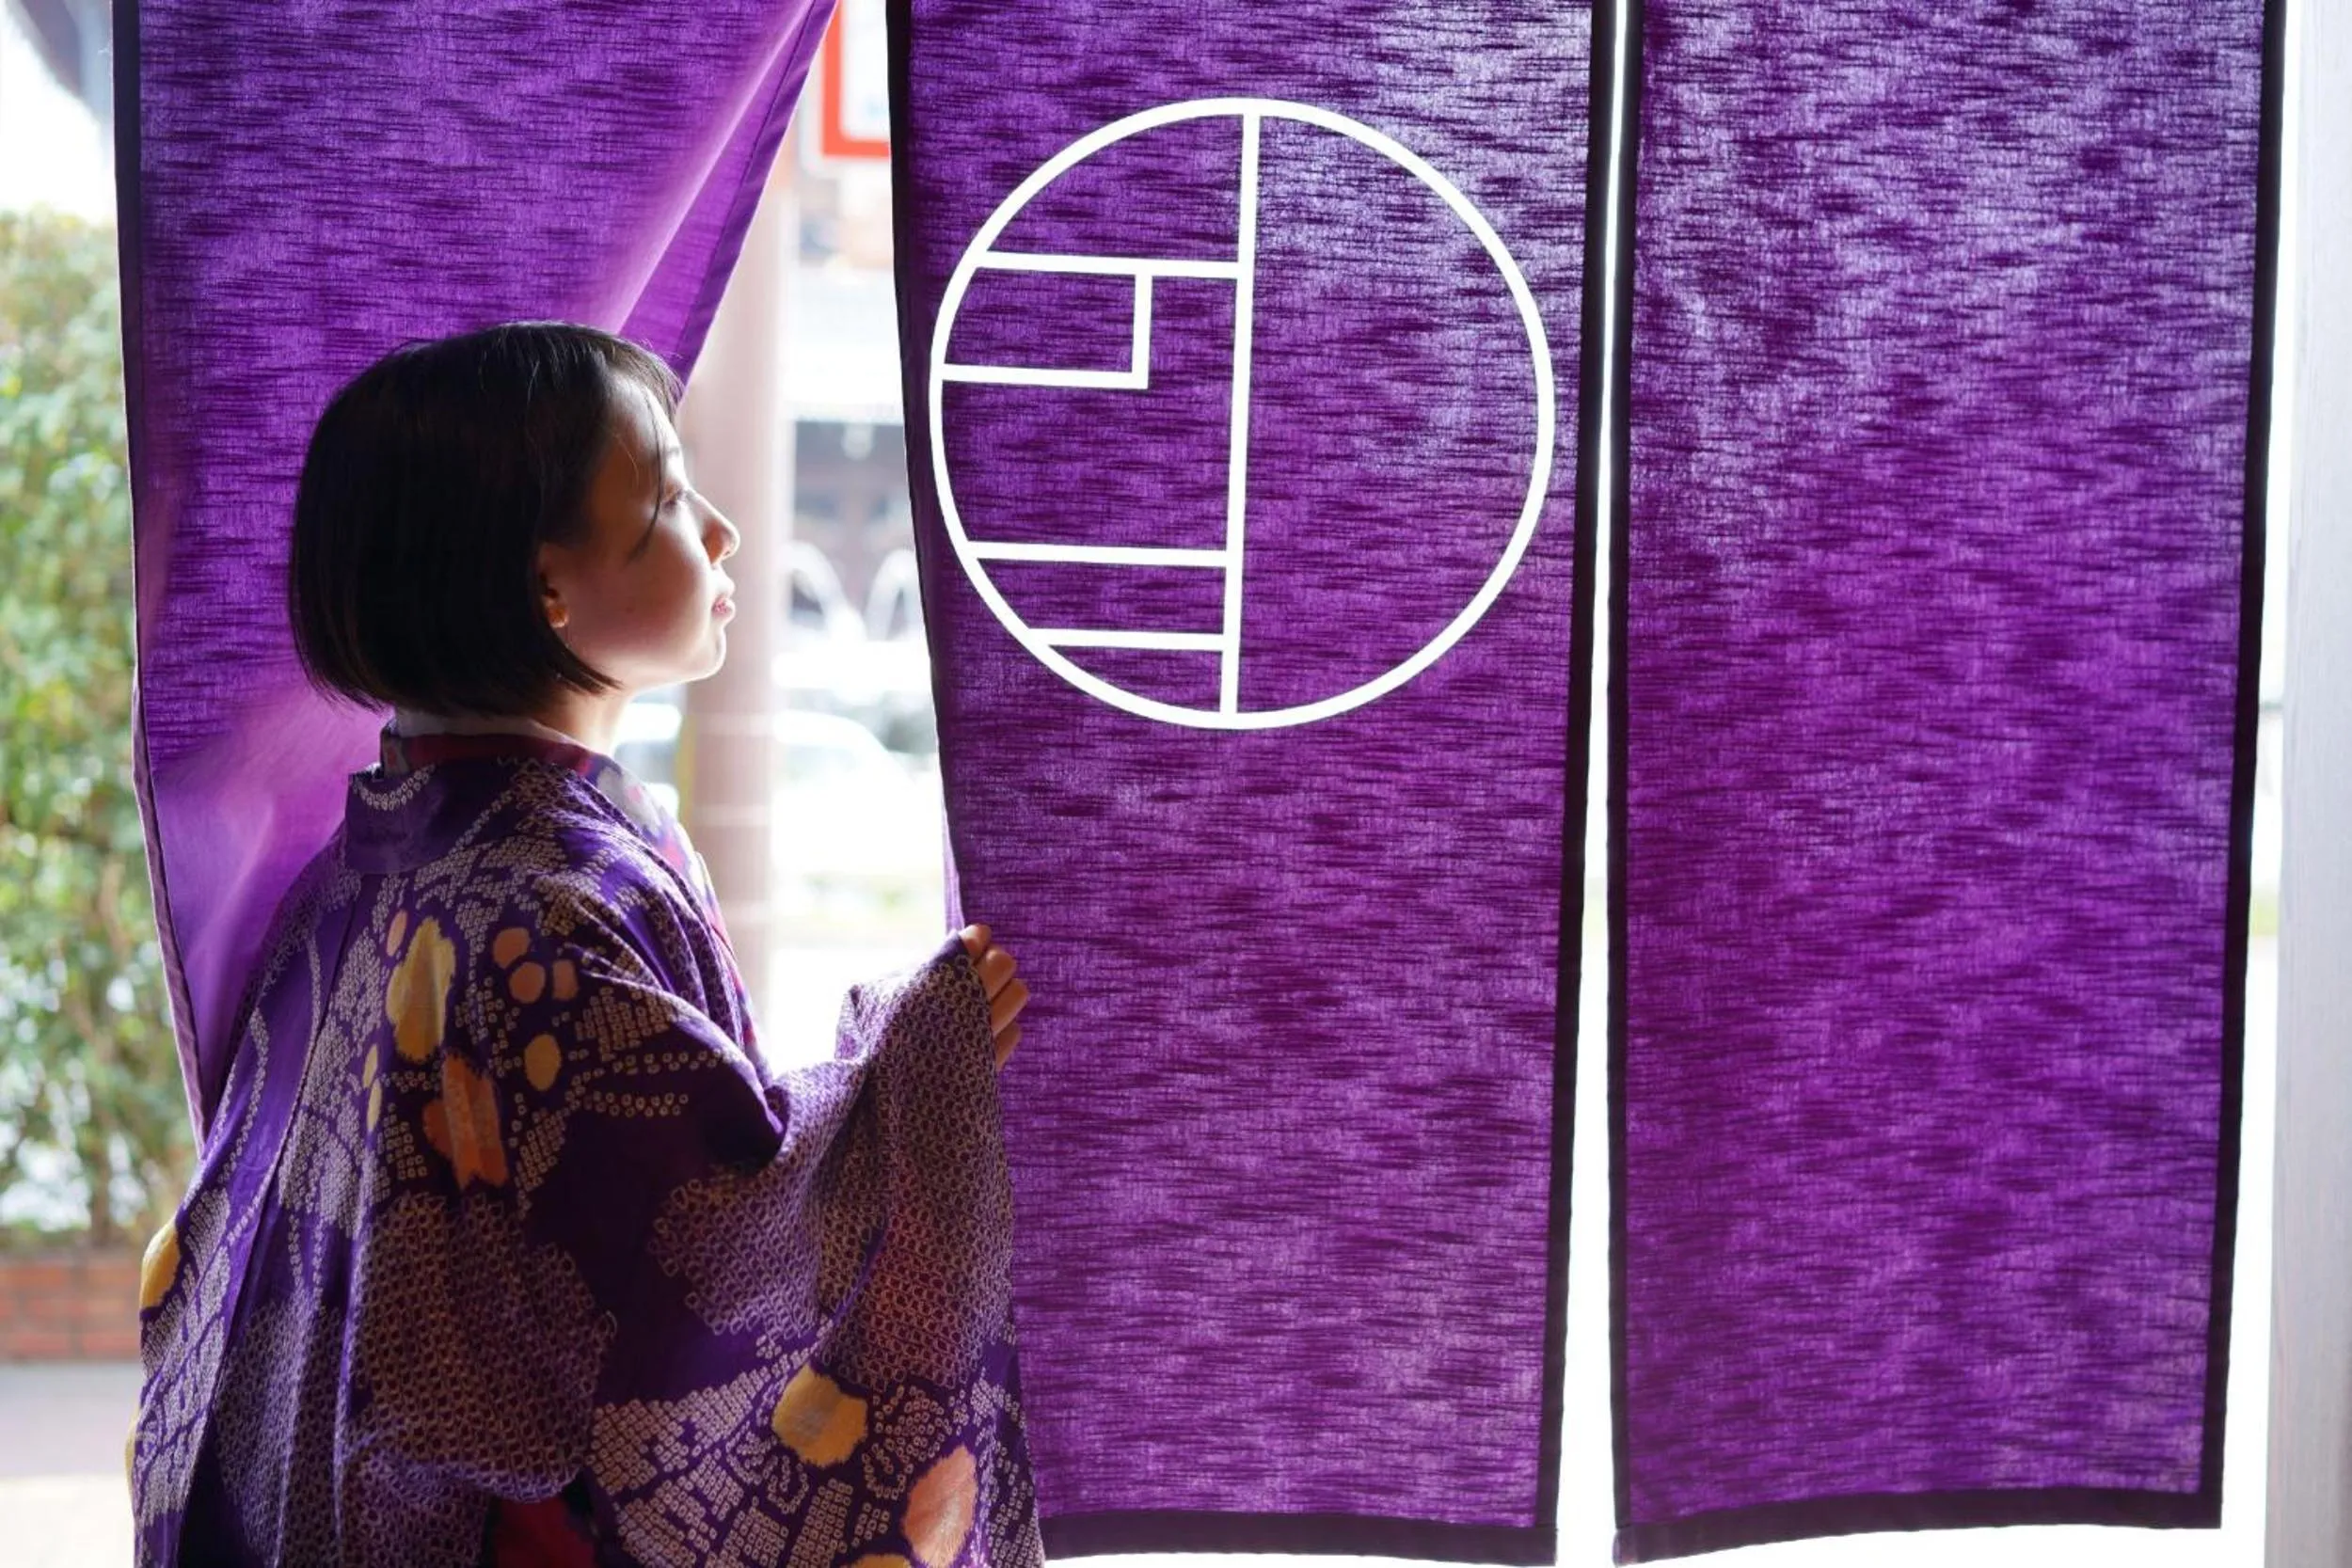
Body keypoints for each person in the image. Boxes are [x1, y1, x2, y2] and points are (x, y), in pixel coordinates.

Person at [126, 322, 1043, 1568]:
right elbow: (703, 1266)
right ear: (547, 587)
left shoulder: (359, 872)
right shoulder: (552, 911)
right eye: (666, 497)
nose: (718, 529)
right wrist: (906, 1065)